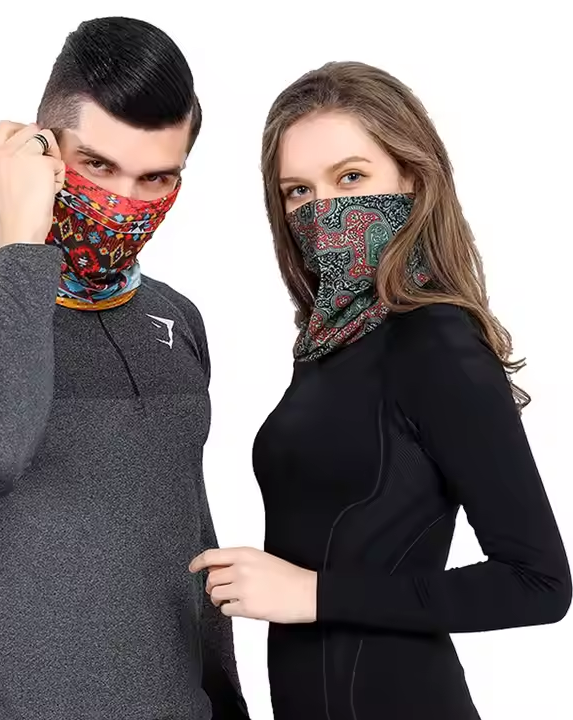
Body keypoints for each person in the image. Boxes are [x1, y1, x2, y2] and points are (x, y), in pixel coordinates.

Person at [0, 16, 248, 720]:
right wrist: (22, 241)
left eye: (156, 178)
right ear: (39, 153)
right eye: (97, 166)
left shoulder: (177, 319)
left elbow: (190, 534)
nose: (125, 203)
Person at [190, 61, 571, 719]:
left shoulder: (436, 343)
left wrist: (315, 595)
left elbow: (539, 584)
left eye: (351, 177)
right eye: (298, 191)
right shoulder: (328, 342)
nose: (323, 211)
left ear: (412, 178)